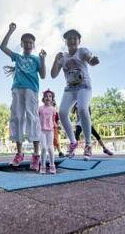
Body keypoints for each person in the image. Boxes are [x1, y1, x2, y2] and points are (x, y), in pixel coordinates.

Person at [0, 22, 46, 171]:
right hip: (17, 89)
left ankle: (36, 155)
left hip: (31, 90)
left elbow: (44, 75)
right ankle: (19, 153)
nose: (28, 44)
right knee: (17, 117)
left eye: (30, 42)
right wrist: (10, 31)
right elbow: (3, 47)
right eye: (25, 42)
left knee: (32, 117)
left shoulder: (36, 59)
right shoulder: (18, 57)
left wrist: (43, 59)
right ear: (22, 44)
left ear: (33, 45)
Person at [51, 29, 100, 161]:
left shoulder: (82, 51)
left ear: (79, 41)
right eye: (69, 39)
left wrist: (93, 60)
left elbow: (90, 59)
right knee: (61, 113)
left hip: (84, 86)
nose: (72, 40)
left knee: (83, 109)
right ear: (65, 41)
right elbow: (53, 75)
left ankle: (88, 145)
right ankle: (73, 142)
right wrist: (56, 61)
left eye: (75, 38)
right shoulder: (63, 57)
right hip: (70, 89)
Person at [39, 89, 57, 174]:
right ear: (43, 98)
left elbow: (53, 119)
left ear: (52, 98)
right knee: (43, 148)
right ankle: (42, 166)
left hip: (50, 131)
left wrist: (55, 125)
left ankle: (52, 165)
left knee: (50, 148)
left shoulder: (53, 109)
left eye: (50, 96)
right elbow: (37, 118)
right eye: (46, 96)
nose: (48, 97)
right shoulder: (40, 108)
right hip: (42, 130)